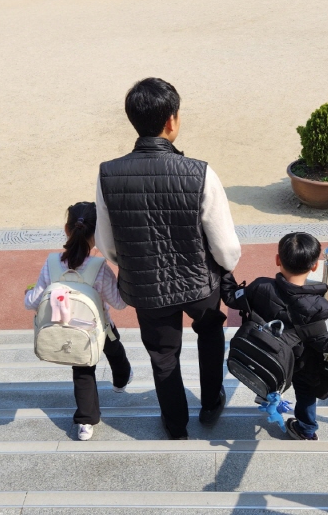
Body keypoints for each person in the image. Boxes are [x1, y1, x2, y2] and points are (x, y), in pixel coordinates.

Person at [96, 78, 241, 441]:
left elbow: (107, 243)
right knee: (209, 332)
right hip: (199, 282)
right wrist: (224, 267)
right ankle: (211, 403)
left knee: (163, 354)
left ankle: (175, 424)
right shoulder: (200, 172)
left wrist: (134, 263)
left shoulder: (107, 174)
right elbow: (225, 247)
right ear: (172, 121)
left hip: (145, 286)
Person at [220, 233, 328, 441]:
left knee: (269, 371)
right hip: (302, 362)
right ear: (314, 267)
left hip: (267, 353)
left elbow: (232, 298)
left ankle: (268, 389)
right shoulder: (320, 306)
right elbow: (327, 343)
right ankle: (306, 428)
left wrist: (225, 273)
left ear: (278, 260)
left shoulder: (260, 287)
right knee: (305, 392)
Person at [24, 202, 133, 442]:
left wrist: (28, 290)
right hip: (100, 327)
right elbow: (119, 303)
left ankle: (86, 422)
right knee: (115, 351)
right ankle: (121, 380)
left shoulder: (52, 263)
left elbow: (32, 302)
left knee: (83, 370)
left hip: (66, 329)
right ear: (97, 234)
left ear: (66, 229)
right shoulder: (99, 267)